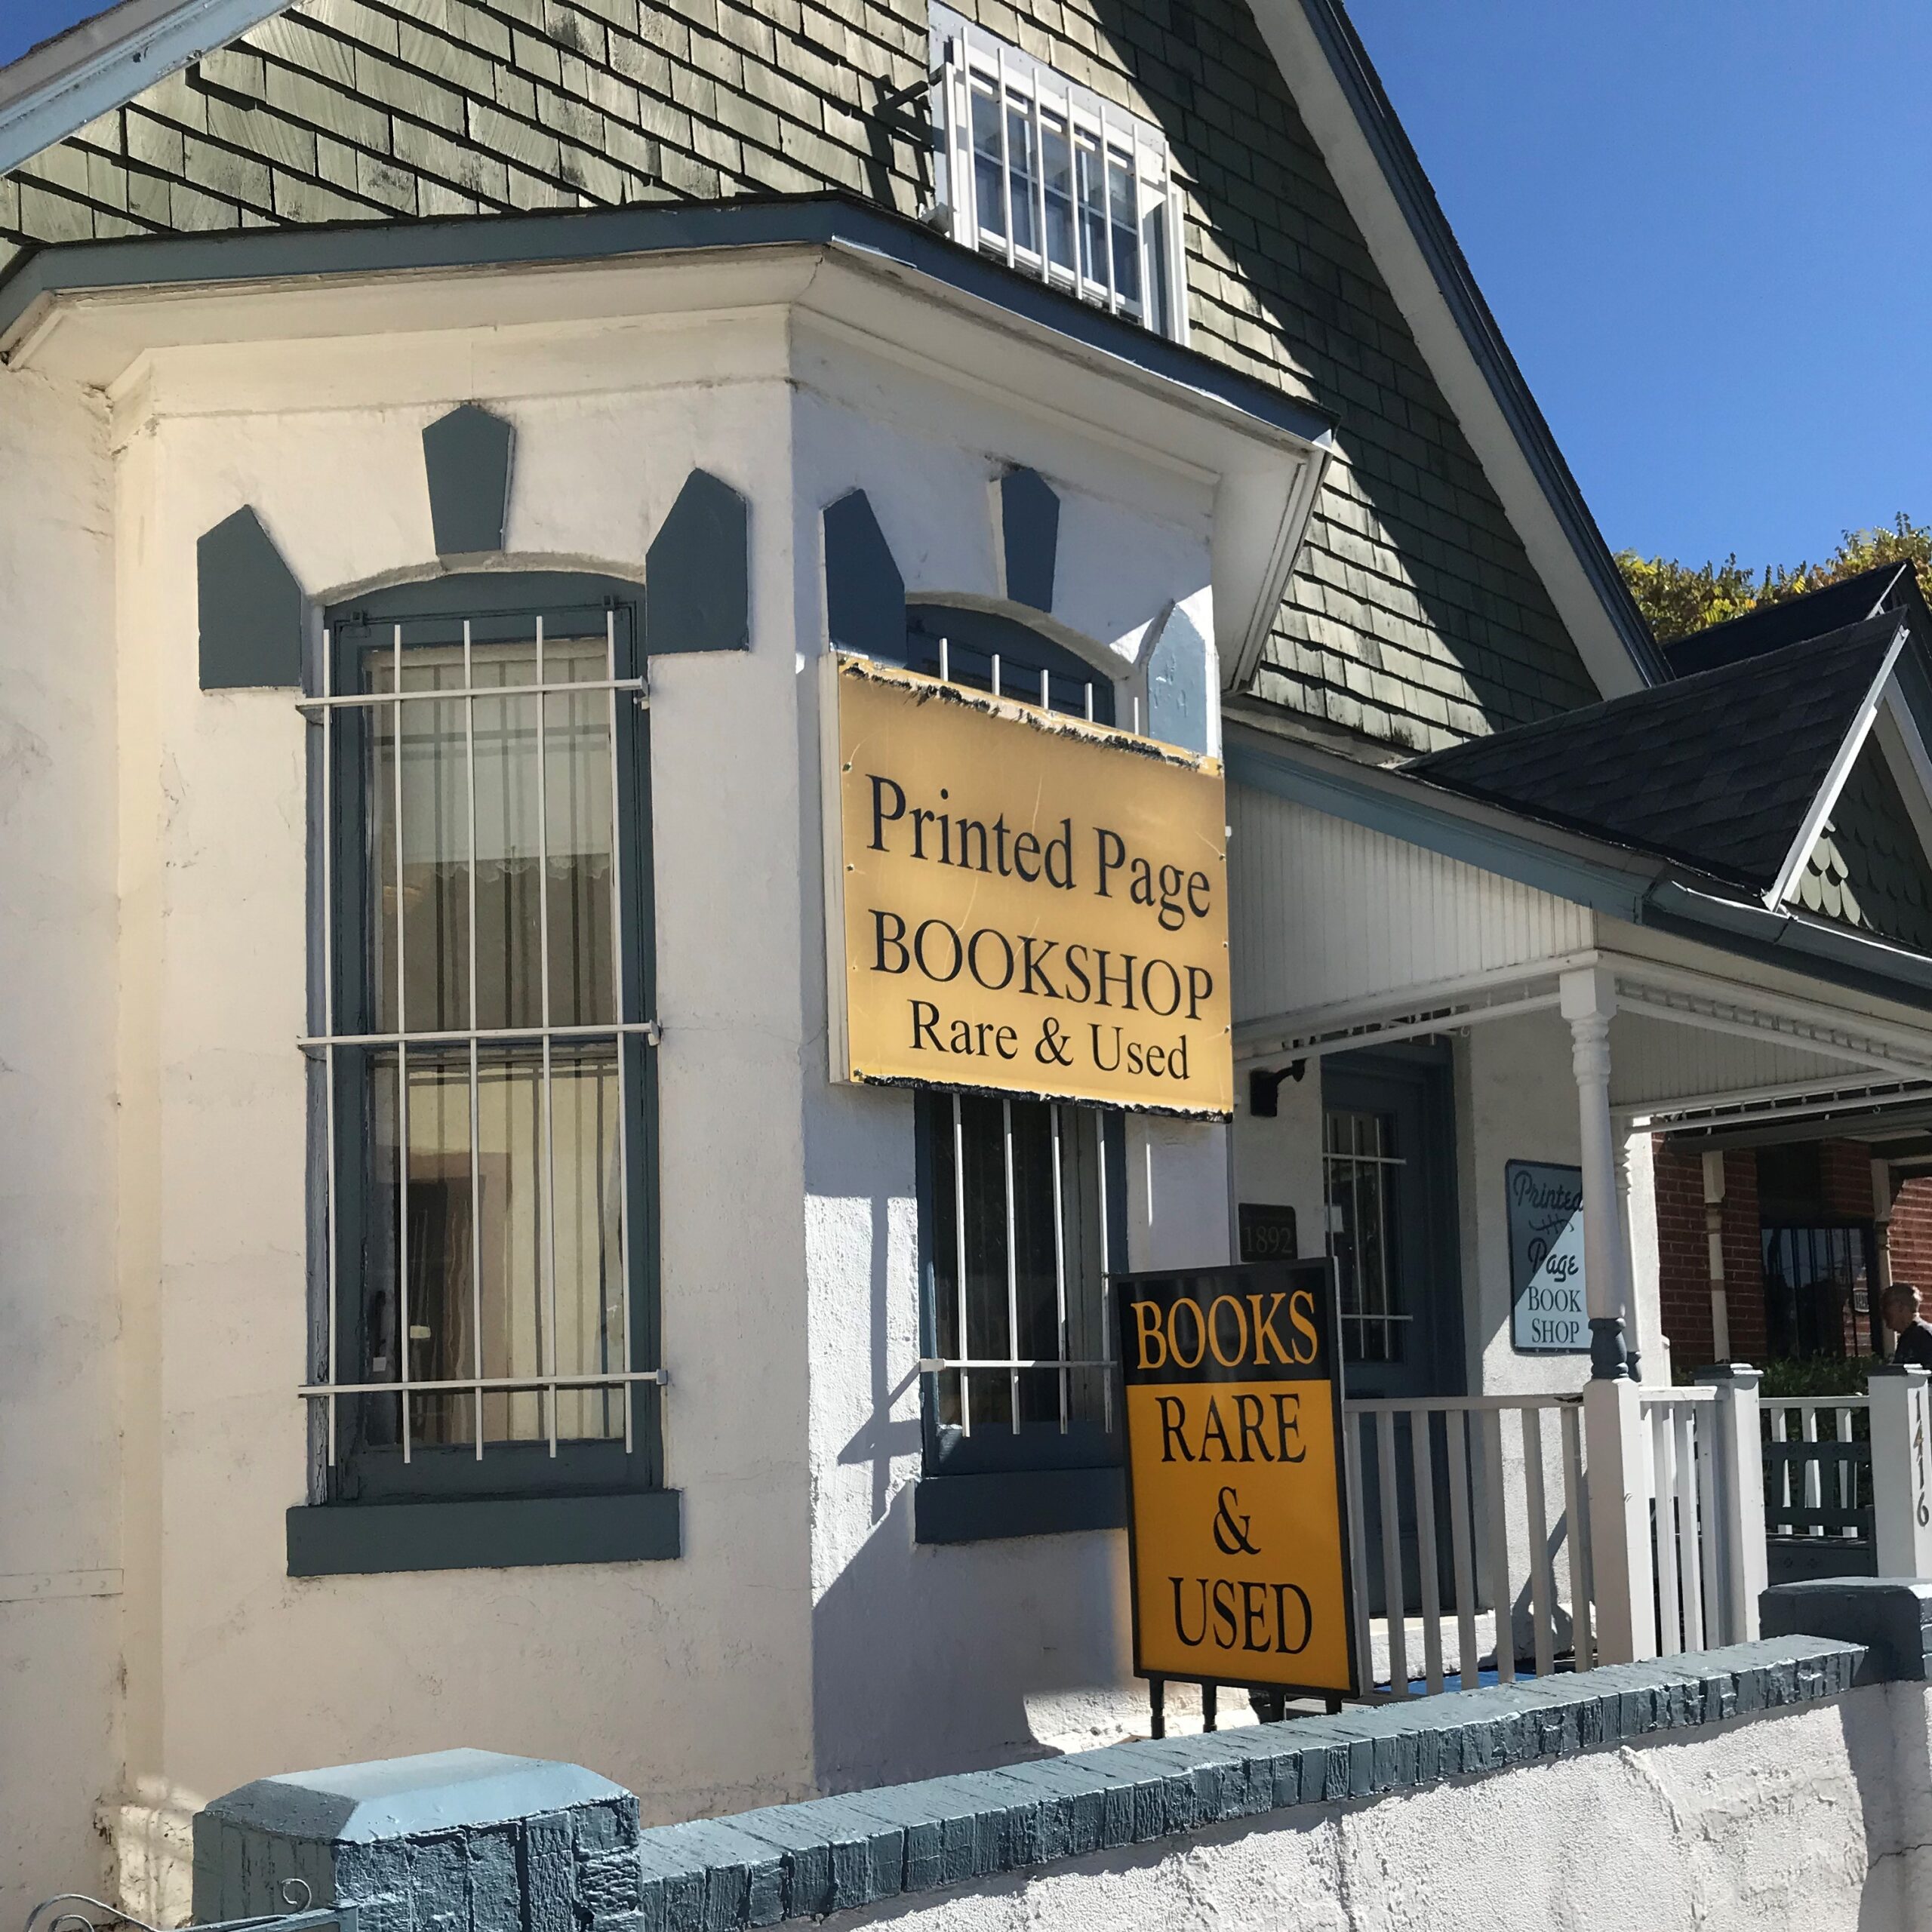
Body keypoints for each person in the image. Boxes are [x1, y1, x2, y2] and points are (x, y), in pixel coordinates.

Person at [1881, 1282, 1932, 1370]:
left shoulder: (1923, 1336)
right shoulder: (1910, 1336)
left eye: (1886, 1305)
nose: (1883, 1312)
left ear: (1900, 1306)